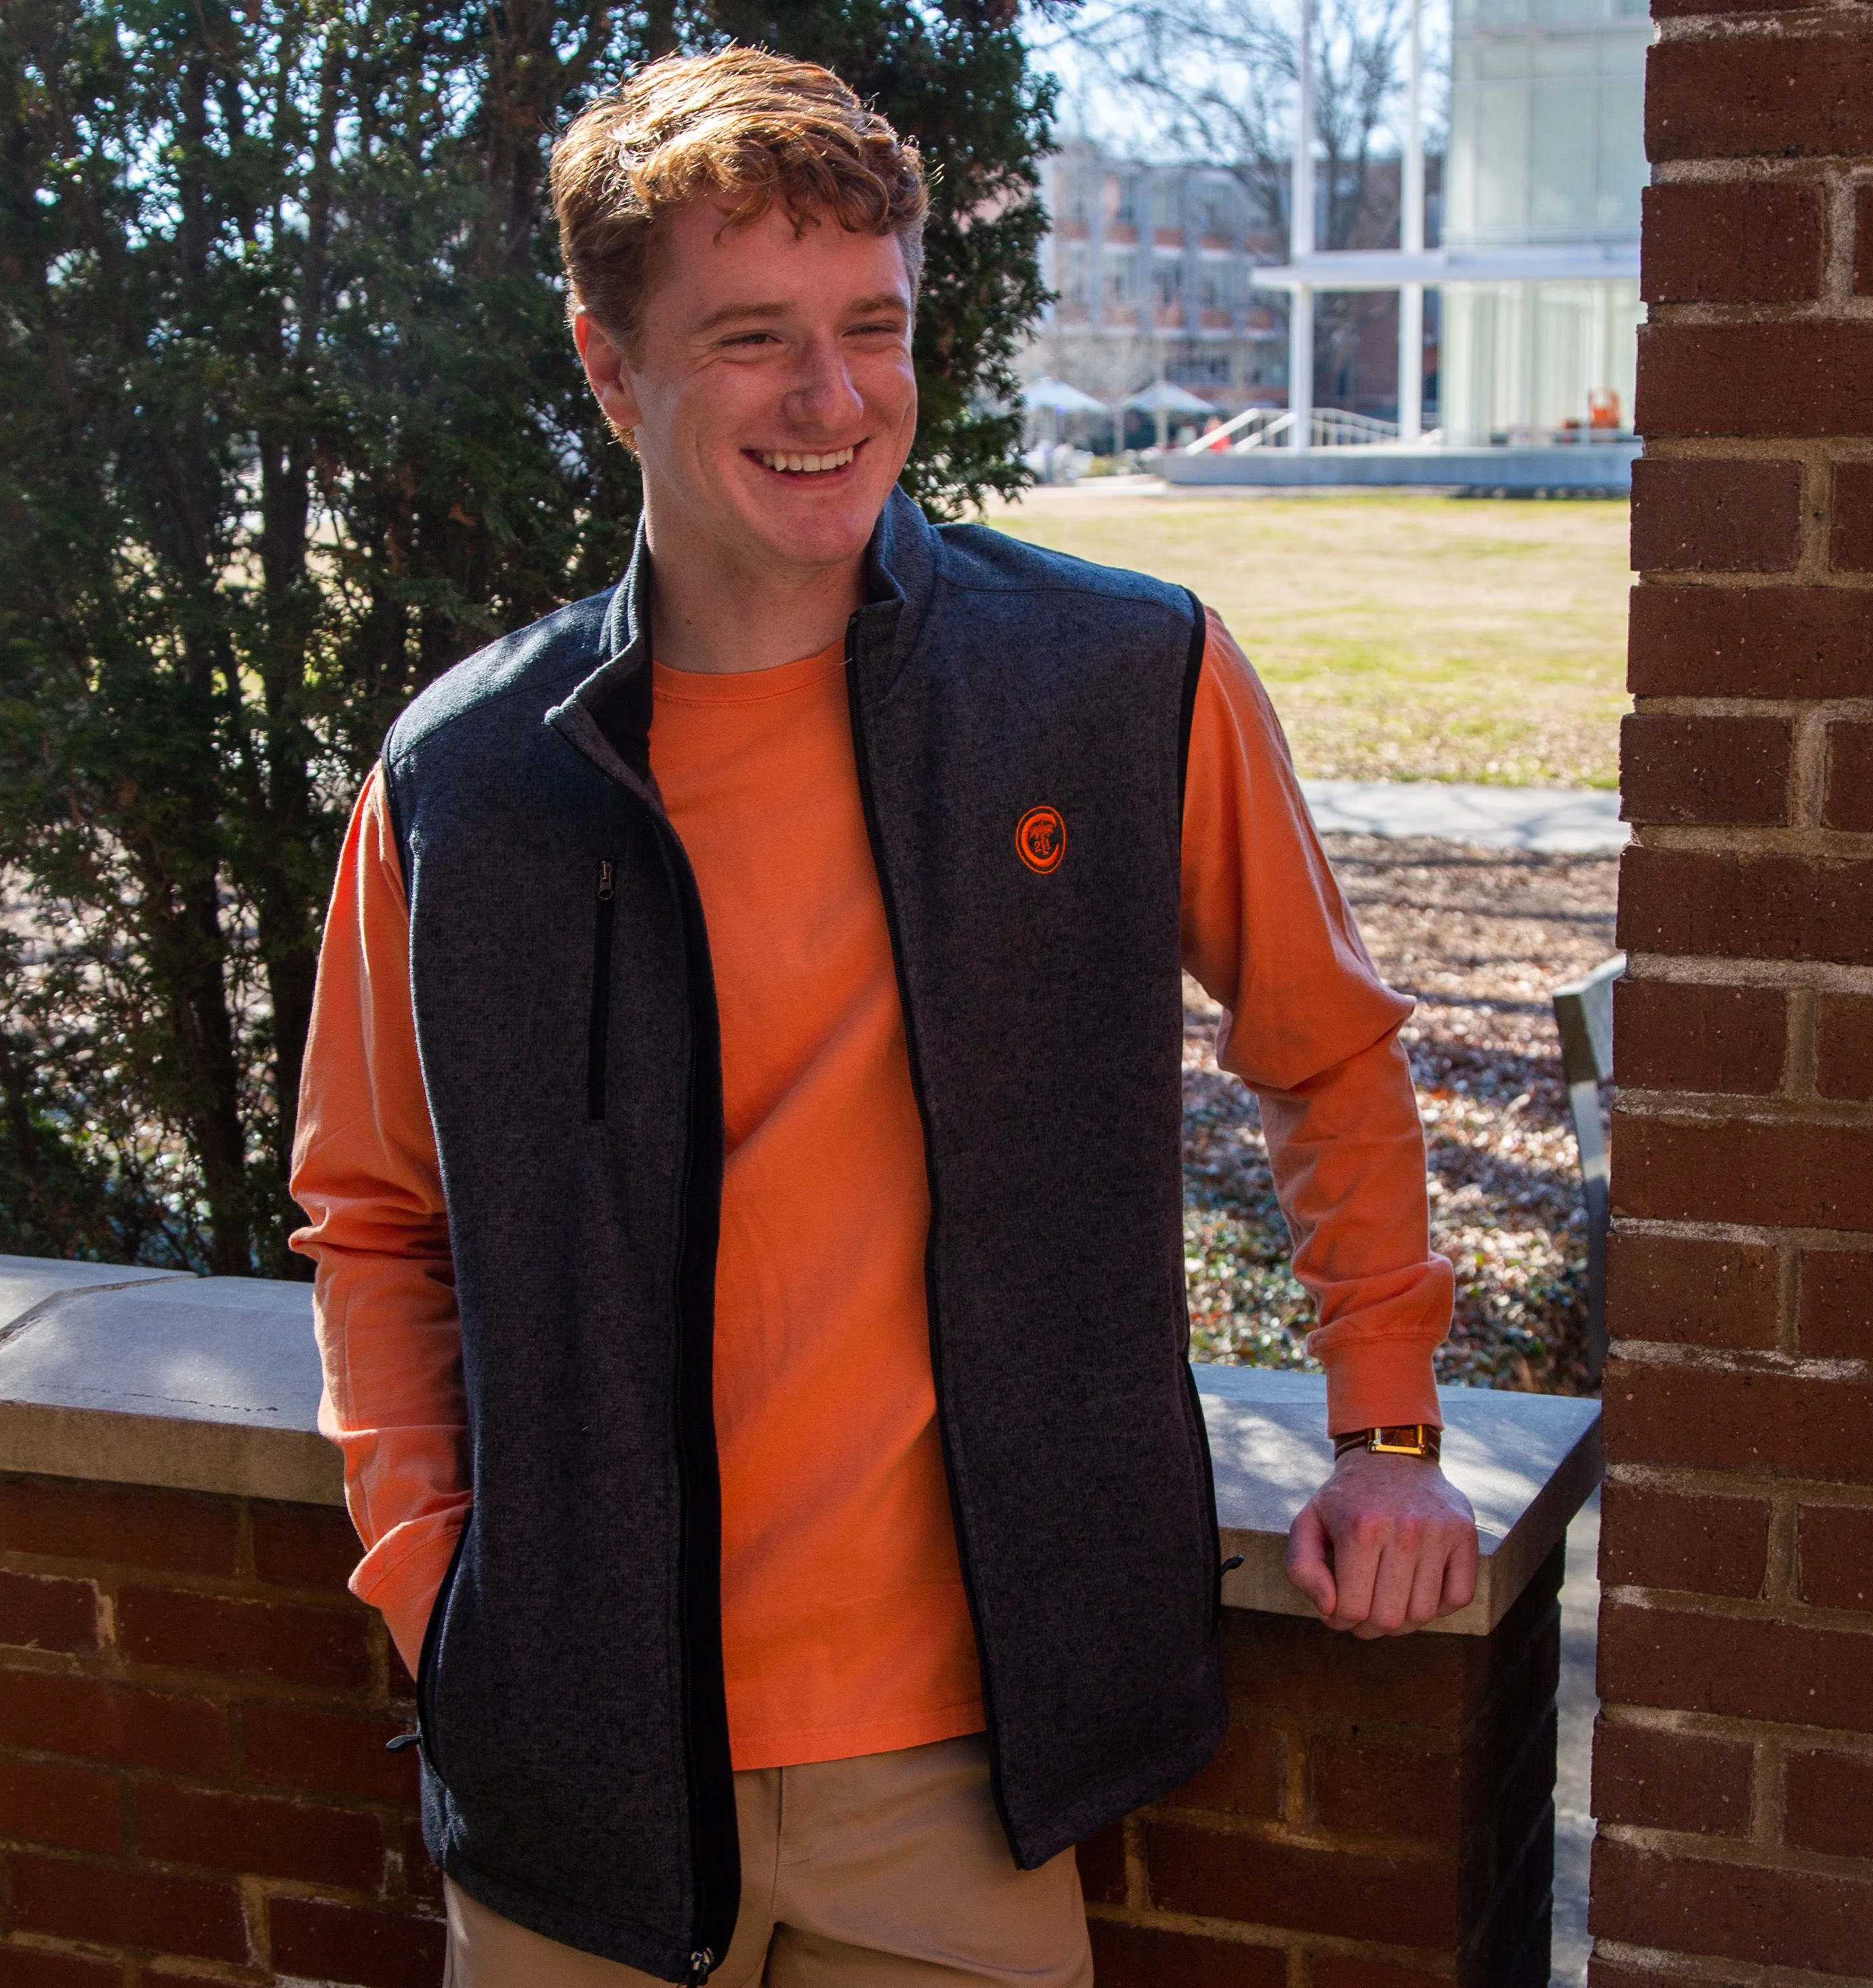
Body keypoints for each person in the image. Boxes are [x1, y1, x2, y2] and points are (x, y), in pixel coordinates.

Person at [290, 46, 1477, 1988]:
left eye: (877, 326)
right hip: (580, 1774)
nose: (833, 400)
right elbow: (372, 1215)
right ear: (610, 369)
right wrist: (434, 1583)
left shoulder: (1117, 680)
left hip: (956, 1779)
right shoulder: (467, 780)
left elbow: (1327, 1048)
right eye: (753, 338)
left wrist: (1393, 1429)